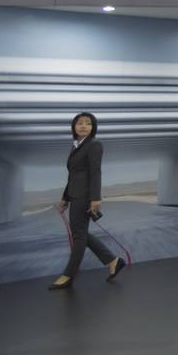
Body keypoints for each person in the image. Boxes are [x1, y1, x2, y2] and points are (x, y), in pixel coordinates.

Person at [50, 112, 125, 289]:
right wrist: (65, 198)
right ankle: (113, 261)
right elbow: (73, 176)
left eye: (88, 123)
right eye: (80, 123)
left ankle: (68, 275)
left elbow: (95, 172)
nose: (84, 126)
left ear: (93, 128)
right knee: (81, 233)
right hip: (75, 195)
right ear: (74, 127)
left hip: (85, 196)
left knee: (79, 235)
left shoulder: (94, 145)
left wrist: (95, 198)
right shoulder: (76, 147)